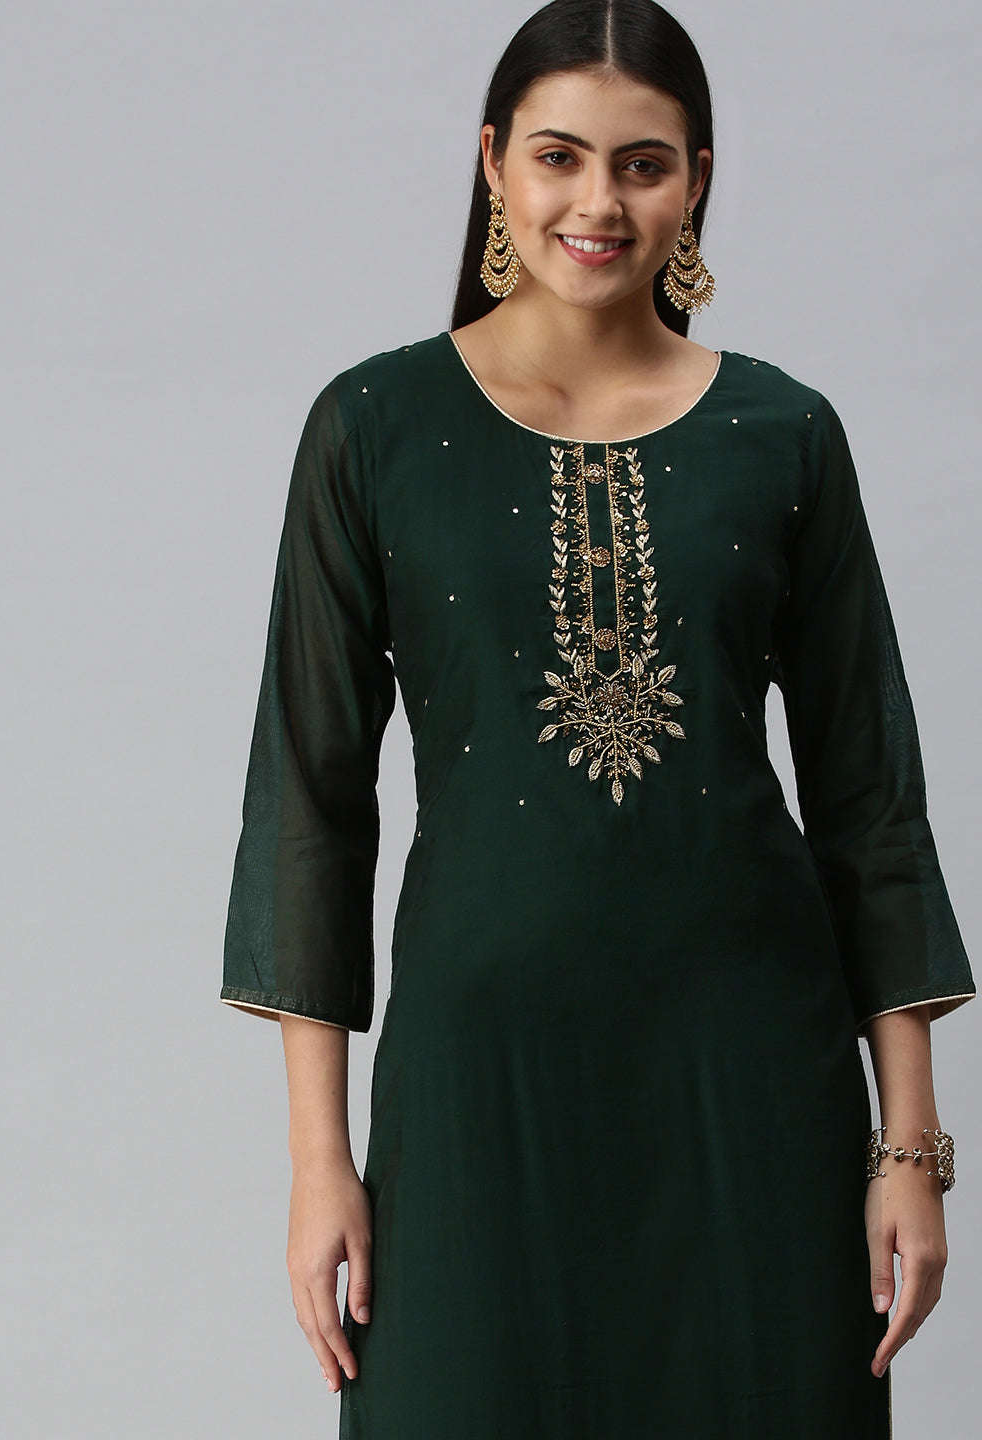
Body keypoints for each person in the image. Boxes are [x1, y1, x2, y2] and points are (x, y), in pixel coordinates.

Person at [219, 1, 976, 1434]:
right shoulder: (374, 428)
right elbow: (311, 800)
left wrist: (910, 1147)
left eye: (644, 164)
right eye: (560, 157)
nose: (598, 204)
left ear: (698, 179)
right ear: (493, 162)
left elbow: (870, 795)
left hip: (750, 1076)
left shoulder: (783, 433)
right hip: (478, 1085)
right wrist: (321, 1161)